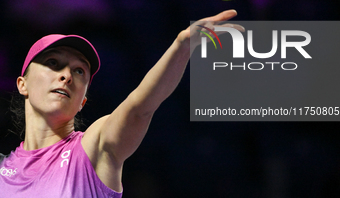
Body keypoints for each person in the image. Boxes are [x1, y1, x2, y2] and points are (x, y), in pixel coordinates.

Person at [0, 10, 244, 197]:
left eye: (79, 71)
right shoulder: (3, 169)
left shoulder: (94, 147)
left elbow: (139, 109)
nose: (66, 76)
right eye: (53, 63)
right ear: (23, 84)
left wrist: (182, 46)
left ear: (82, 101)